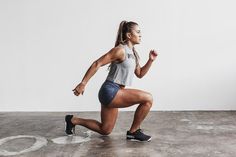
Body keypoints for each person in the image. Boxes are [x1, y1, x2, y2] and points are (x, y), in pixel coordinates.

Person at [65, 20, 158, 142]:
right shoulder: (120, 50)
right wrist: (83, 83)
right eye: (138, 32)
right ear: (129, 35)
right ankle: (133, 132)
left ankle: (72, 120)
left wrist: (150, 60)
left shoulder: (133, 53)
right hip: (110, 91)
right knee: (148, 98)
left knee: (105, 130)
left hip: (115, 92)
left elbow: (140, 74)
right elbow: (97, 63)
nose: (141, 35)